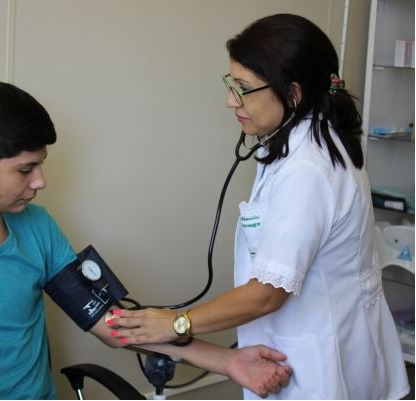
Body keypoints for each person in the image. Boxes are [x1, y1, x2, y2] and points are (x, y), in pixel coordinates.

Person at [0, 80, 292, 399]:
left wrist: (227, 361)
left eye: (41, 165)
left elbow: (111, 324)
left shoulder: (36, 225)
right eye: (25, 169)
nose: (40, 181)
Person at [108, 13, 410, 400]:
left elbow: (267, 294)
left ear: (293, 93)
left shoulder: (307, 170)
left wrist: (177, 324)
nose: (230, 100)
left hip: (318, 369)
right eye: (232, 85)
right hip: (321, 351)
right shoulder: (303, 141)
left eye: (244, 89)